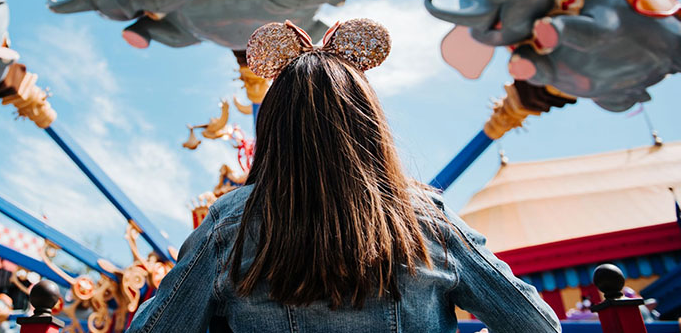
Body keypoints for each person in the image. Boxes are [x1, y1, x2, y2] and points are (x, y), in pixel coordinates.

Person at [127, 19, 561, 333]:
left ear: (274, 127)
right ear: (369, 124)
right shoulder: (427, 219)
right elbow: (537, 326)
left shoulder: (230, 225)